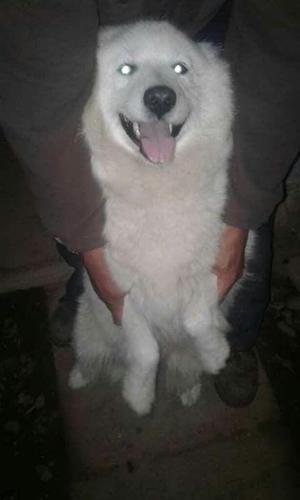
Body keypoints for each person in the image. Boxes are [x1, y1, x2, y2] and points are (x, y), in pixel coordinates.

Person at [0, 1, 299, 407]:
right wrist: (86, 245)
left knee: (234, 263)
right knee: (84, 236)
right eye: (130, 71)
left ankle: (218, 349)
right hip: (85, 35)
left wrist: (243, 214)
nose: (160, 90)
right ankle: (93, 311)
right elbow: (36, 92)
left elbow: (279, 51)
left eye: (177, 72)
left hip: (205, 21)